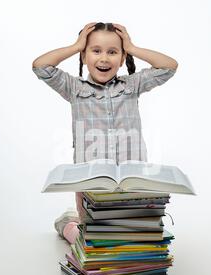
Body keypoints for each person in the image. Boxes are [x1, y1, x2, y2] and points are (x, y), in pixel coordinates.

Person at [32, 22, 178, 244]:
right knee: (95, 239)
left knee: (139, 236)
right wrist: (76, 45)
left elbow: (169, 67)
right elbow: (41, 66)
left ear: (121, 58)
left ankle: (80, 221)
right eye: (95, 50)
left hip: (132, 182)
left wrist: (132, 47)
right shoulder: (74, 88)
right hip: (92, 184)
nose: (104, 58)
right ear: (84, 56)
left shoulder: (132, 85)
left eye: (112, 52)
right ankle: (69, 225)